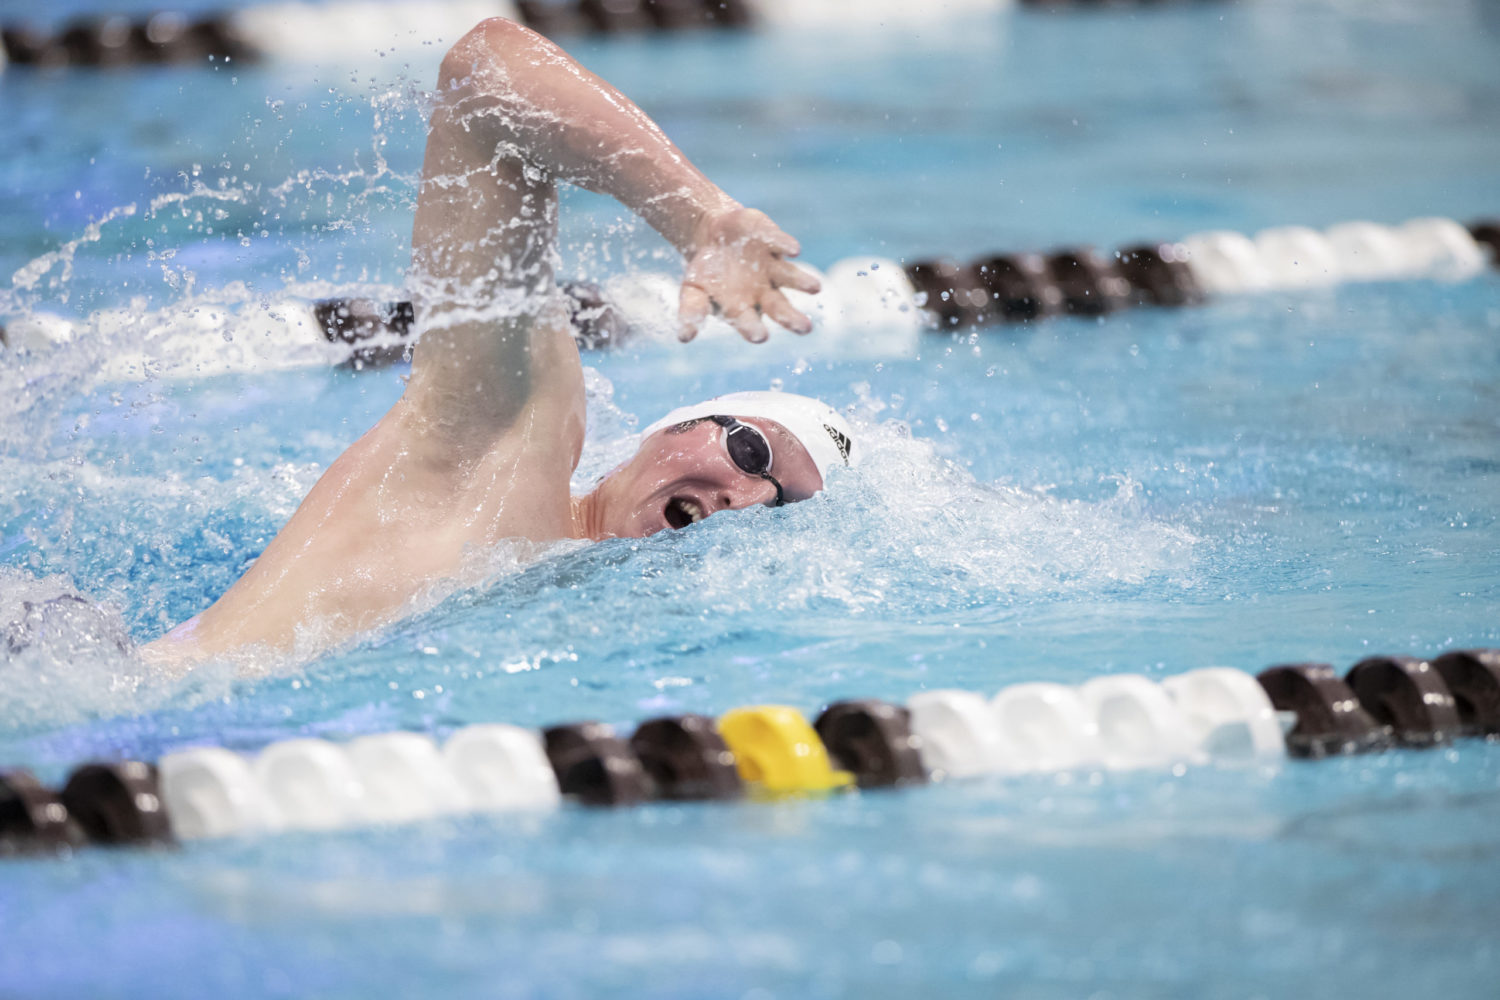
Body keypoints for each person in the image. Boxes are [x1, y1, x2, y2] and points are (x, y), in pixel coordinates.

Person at [142, 17, 858, 669]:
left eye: (781, 504)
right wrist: (699, 218)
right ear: (672, 429)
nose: (749, 497)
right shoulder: (502, 450)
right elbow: (485, 76)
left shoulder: (583, 635)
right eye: (751, 450)